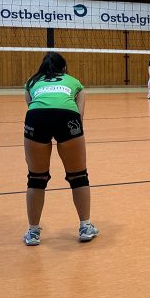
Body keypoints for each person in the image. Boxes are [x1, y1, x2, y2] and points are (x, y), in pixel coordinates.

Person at [22, 52, 98, 246]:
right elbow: (80, 116)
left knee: (36, 178)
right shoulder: (74, 82)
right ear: (64, 68)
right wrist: (73, 132)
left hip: (36, 118)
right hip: (67, 117)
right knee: (79, 176)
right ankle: (85, 226)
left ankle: (33, 232)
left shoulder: (31, 82)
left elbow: (32, 105)